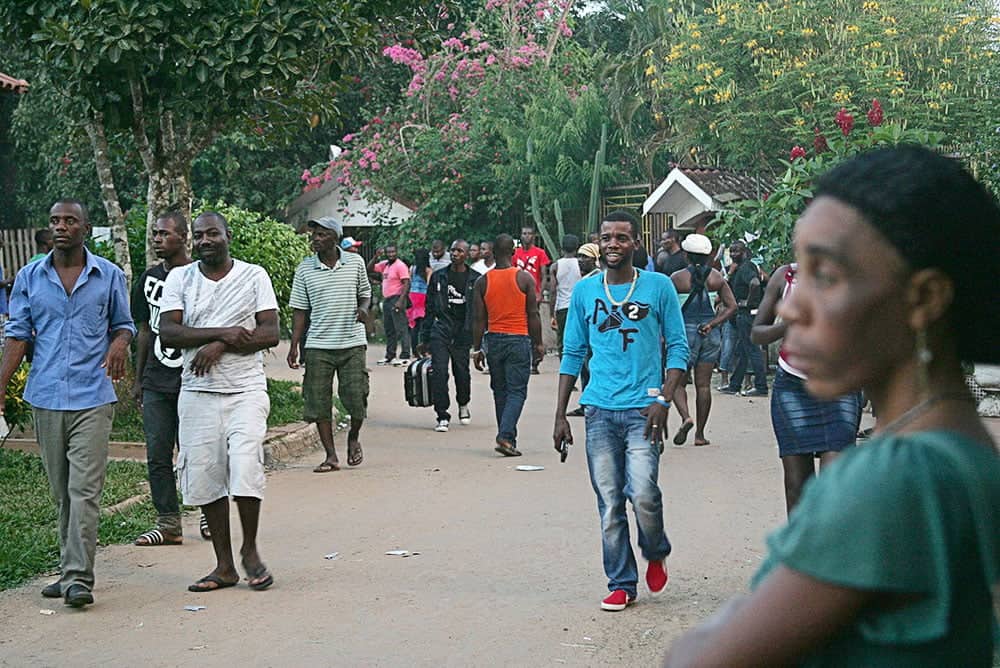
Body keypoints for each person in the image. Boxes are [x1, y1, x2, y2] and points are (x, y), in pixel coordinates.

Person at [664, 146, 1000, 667]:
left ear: (924, 299)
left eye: (827, 275)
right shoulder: (969, 456)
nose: (793, 306)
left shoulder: (895, 477)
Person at [0, 198, 134, 608]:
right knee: (63, 493)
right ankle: (67, 570)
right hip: (46, 396)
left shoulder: (108, 275)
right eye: (55, 220)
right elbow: (18, 335)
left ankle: (78, 578)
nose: (61, 226)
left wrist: (119, 345)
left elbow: (124, 325)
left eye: (70, 221)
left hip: (92, 396)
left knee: (84, 491)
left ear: (85, 229)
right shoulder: (30, 277)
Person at [553, 209, 689, 612]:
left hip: (643, 410)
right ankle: (621, 582)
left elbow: (678, 348)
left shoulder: (658, 287)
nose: (613, 243)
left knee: (643, 493)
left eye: (621, 237)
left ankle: (655, 548)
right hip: (598, 410)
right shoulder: (585, 292)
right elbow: (573, 352)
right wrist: (561, 413)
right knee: (610, 501)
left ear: (634, 244)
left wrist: (664, 399)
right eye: (607, 237)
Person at [159, 211, 280, 593]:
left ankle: (251, 551)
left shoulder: (253, 275)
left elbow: (271, 332)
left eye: (213, 233)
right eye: (199, 235)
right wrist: (225, 331)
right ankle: (224, 566)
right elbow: (169, 332)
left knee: (245, 466)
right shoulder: (180, 277)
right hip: (197, 393)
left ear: (228, 236)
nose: (205, 240)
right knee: (207, 475)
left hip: (245, 390)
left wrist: (220, 343)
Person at [752, 262, 863, 513]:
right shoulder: (786, 276)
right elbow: (757, 333)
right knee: (796, 486)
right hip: (792, 387)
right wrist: (787, 325)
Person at [130, 211, 209, 546]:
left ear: (183, 238)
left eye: (164, 233)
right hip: (157, 381)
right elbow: (145, 330)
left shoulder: (201, 276)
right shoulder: (148, 279)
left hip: (194, 378)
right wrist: (139, 379)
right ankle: (168, 522)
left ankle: (209, 514)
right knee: (157, 452)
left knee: (197, 451)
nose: (157, 239)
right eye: (155, 234)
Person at [288, 216, 372, 473]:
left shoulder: (355, 263)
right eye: (313, 234)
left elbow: (365, 294)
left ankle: (353, 436)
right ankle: (331, 455)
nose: (315, 238)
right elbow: (300, 311)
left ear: (335, 237)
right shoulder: (305, 269)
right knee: (318, 402)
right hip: (318, 345)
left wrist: (363, 310)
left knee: (357, 397)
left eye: (322, 234)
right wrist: (294, 346)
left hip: (352, 342)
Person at [472, 233, 544, 456]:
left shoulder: (482, 281)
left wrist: (477, 348)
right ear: (514, 253)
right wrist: (538, 343)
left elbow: (478, 320)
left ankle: (507, 436)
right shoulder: (524, 279)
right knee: (517, 391)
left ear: (492, 253)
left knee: (500, 390)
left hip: (493, 340)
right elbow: (533, 314)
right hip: (518, 339)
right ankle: (505, 436)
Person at [669, 234, 736, 447]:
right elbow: (732, 306)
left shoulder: (677, 278)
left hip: (684, 332)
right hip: (709, 332)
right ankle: (699, 434)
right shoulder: (716, 277)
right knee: (703, 385)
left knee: (678, 381)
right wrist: (713, 324)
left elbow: (668, 309)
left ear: (687, 256)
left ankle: (685, 417)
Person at [418, 240, 480, 432]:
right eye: (453, 250)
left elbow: (479, 311)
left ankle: (463, 404)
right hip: (441, 328)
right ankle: (442, 414)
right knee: (439, 371)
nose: (455, 253)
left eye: (460, 251)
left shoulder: (475, 279)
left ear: (467, 254)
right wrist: (424, 337)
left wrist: (479, 339)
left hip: (463, 332)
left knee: (461, 372)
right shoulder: (439, 277)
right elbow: (429, 308)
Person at [719, 240, 768, 396]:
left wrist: (748, 301)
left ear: (745, 251)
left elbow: (754, 283)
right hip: (743, 314)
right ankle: (735, 384)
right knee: (743, 351)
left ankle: (761, 386)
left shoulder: (746, 267)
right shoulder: (740, 268)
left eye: (737, 251)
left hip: (746, 314)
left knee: (752, 350)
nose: (733, 254)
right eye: (731, 251)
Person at [565, 242, 602, 418]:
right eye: (579, 256)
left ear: (595, 259)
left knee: (591, 369)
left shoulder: (594, 280)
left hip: (593, 333)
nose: (580, 261)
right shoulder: (586, 280)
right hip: (586, 332)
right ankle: (585, 403)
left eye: (585, 257)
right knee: (585, 369)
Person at [513, 225, 550, 373]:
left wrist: (540, 292)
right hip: (518, 295)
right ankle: (521, 360)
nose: (526, 236)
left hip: (534, 295)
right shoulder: (515, 254)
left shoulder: (539, 253)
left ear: (533, 236)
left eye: (529, 233)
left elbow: (544, 275)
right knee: (520, 328)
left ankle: (535, 362)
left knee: (534, 328)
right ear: (521, 236)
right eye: (524, 233)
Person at [367, 244, 411, 366]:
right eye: (389, 252)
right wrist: (376, 257)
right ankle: (390, 355)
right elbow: (369, 269)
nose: (391, 254)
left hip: (397, 298)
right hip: (387, 300)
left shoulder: (400, 266)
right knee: (389, 329)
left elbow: (406, 283)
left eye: (393, 252)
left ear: (397, 252)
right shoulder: (385, 264)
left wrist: (401, 301)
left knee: (401, 328)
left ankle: (405, 355)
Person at [549, 234, 582, 356]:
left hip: (562, 307)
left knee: (562, 340)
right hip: (578, 306)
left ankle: (564, 367)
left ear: (561, 248)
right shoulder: (581, 264)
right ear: (577, 248)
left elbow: (553, 291)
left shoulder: (555, 266)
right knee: (579, 337)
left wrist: (551, 313)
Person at [407, 248, 431, 352]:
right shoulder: (428, 270)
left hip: (413, 295)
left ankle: (414, 349)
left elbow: (409, 282)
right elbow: (429, 285)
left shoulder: (412, 268)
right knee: (423, 324)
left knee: (414, 324)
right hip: (423, 296)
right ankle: (423, 348)